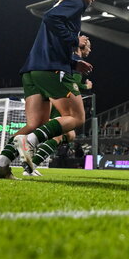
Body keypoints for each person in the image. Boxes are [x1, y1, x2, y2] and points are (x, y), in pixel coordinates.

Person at [0, 0, 96, 179]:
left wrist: (74, 63)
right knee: (75, 117)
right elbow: (49, 18)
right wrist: (76, 40)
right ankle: (31, 142)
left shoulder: (64, 4)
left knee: (34, 123)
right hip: (50, 70)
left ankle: (0, 164)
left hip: (32, 71)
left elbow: (52, 41)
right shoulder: (75, 3)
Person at [27, 34, 93, 176]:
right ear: (82, 45)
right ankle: (28, 150)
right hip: (62, 97)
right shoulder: (76, 59)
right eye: (89, 46)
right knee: (64, 132)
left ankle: (29, 164)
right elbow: (72, 81)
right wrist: (86, 86)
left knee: (69, 135)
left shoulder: (73, 58)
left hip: (57, 93)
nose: (90, 50)